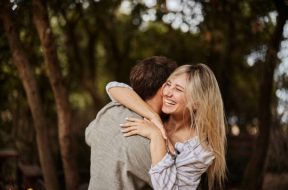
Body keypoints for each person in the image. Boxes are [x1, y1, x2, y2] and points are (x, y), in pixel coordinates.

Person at [107, 64, 227, 190]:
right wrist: (154, 117)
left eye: (178, 90)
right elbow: (113, 87)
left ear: (197, 102)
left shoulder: (199, 151)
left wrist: (156, 136)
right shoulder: (158, 112)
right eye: (168, 84)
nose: (167, 93)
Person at [85, 56, 177, 190]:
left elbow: (89, 134)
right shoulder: (155, 144)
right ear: (164, 89)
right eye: (173, 87)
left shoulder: (110, 110)